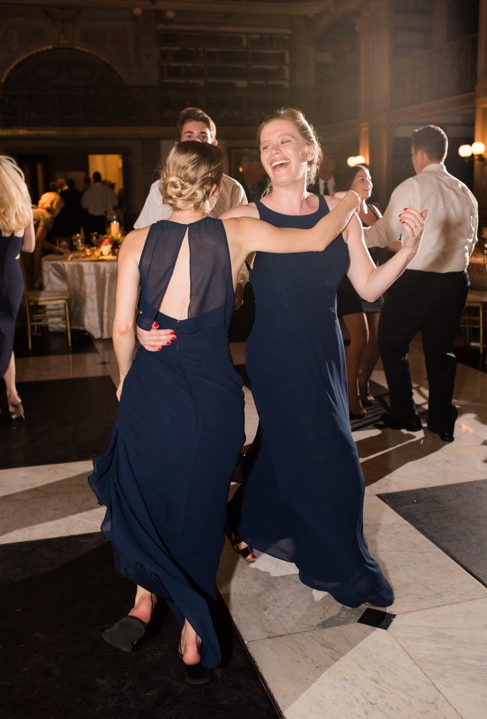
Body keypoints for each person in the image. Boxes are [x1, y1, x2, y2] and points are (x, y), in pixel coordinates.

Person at [89, 141, 366, 683]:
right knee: (200, 507)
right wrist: (351, 200)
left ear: (164, 181)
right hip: (215, 394)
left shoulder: (137, 241)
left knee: (148, 494)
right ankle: (194, 633)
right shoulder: (234, 232)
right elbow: (313, 239)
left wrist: (127, 377)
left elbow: (123, 327)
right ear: (215, 190)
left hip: (154, 385)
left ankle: (142, 605)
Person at [140, 107, 424, 610]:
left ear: (309, 151)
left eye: (284, 142)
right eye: (266, 145)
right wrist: (147, 320)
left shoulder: (339, 211)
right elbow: (181, 247)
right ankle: (343, 567)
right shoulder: (245, 215)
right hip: (276, 354)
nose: (274, 152)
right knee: (337, 459)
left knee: (281, 447)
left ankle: (247, 515)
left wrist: (407, 250)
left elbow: (366, 283)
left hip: (326, 352)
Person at [364, 125, 478, 443]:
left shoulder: (412, 187)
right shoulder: (464, 191)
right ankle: (442, 422)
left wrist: (353, 230)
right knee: (440, 352)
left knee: (390, 344)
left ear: (418, 153)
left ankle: (405, 414)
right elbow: (468, 243)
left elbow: (385, 235)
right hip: (456, 281)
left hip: (417, 280)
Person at [134, 107, 248, 228]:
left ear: (213, 144)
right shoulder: (160, 187)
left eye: (203, 137)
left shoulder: (233, 188)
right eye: (189, 137)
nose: (197, 142)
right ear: (178, 145)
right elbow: (144, 233)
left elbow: (243, 230)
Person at [333, 164, 385, 417]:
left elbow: (389, 241)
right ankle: (350, 394)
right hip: (349, 281)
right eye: (361, 178)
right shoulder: (343, 208)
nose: (368, 182)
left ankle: (363, 385)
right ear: (348, 183)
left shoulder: (374, 210)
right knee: (360, 338)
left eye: (369, 178)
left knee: (376, 341)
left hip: (375, 281)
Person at [0, 155, 36, 419]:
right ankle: (12, 393)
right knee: (6, 335)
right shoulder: (22, 206)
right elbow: (30, 247)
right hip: (13, 278)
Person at [30, 190, 66, 288]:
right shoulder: (47, 217)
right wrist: (36, 265)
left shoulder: (35, 212)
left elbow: (38, 239)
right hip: (26, 253)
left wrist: (56, 248)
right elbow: (38, 242)